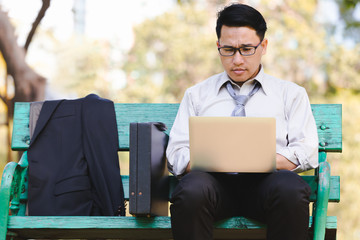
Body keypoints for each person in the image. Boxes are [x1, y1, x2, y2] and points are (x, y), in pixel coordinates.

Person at [166, 3, 319, 240]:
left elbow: (307, 151)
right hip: (212, 187)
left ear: (263, 46)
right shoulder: (197, 95)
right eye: (228, 49)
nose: (237, 59)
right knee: (191, 190)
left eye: (246, 49)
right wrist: (213, 160)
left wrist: (258, 159)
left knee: (291, 188)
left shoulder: (291, 94)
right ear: (218, 46)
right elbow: (176, 152)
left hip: (268, 186)